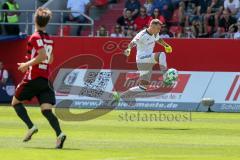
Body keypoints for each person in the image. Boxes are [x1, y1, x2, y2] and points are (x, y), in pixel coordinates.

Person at [11, 7, 66, 149]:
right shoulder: (49, 38)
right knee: (46, 110)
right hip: (45, 79)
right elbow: (50, 59)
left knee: (15, 102)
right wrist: (35, 61)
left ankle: (31, 126)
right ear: (47, 22)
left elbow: (41, 56)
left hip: (34, 76)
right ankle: (59, 134)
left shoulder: (35, 37)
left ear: (35, 20)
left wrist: (26, 64)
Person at [111, 19, 173, 104]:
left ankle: (119, 96)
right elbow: (133, 42)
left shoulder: (155, 33)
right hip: (142, 58)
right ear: (152, 27)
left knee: (143, 87)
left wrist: (166, 45)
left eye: (160, 28)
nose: (159, 30)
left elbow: (158, 39)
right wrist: (128, 49)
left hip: (147, 61)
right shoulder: (142, 34)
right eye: (158, 28)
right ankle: (166, 77)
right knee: (161, 55)